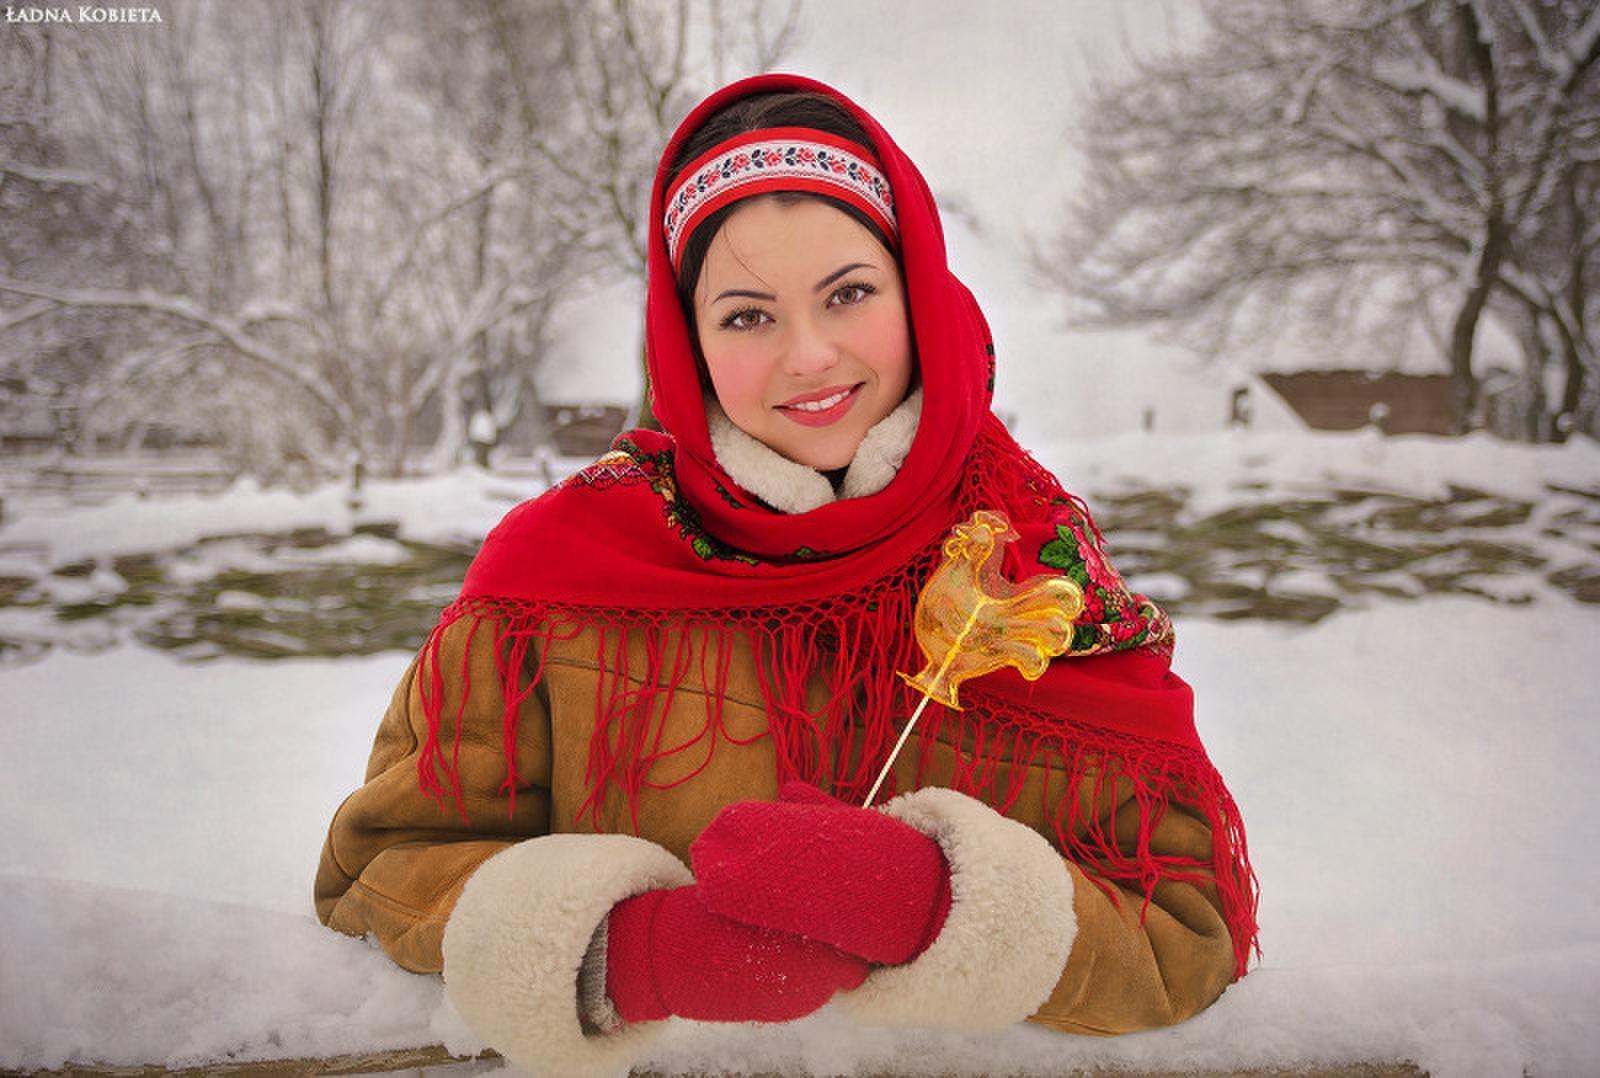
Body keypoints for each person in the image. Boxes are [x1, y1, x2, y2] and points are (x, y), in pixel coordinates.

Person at [315, 73, 1258, 1078]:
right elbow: (382, 869)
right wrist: (622, 953)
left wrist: (942, 904)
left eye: (849, 293)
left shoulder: (1033, 566)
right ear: (686, 340)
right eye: (746, 316)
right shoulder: (550, 582)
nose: (808, 355)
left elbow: (1186, 928)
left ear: (916, 292)